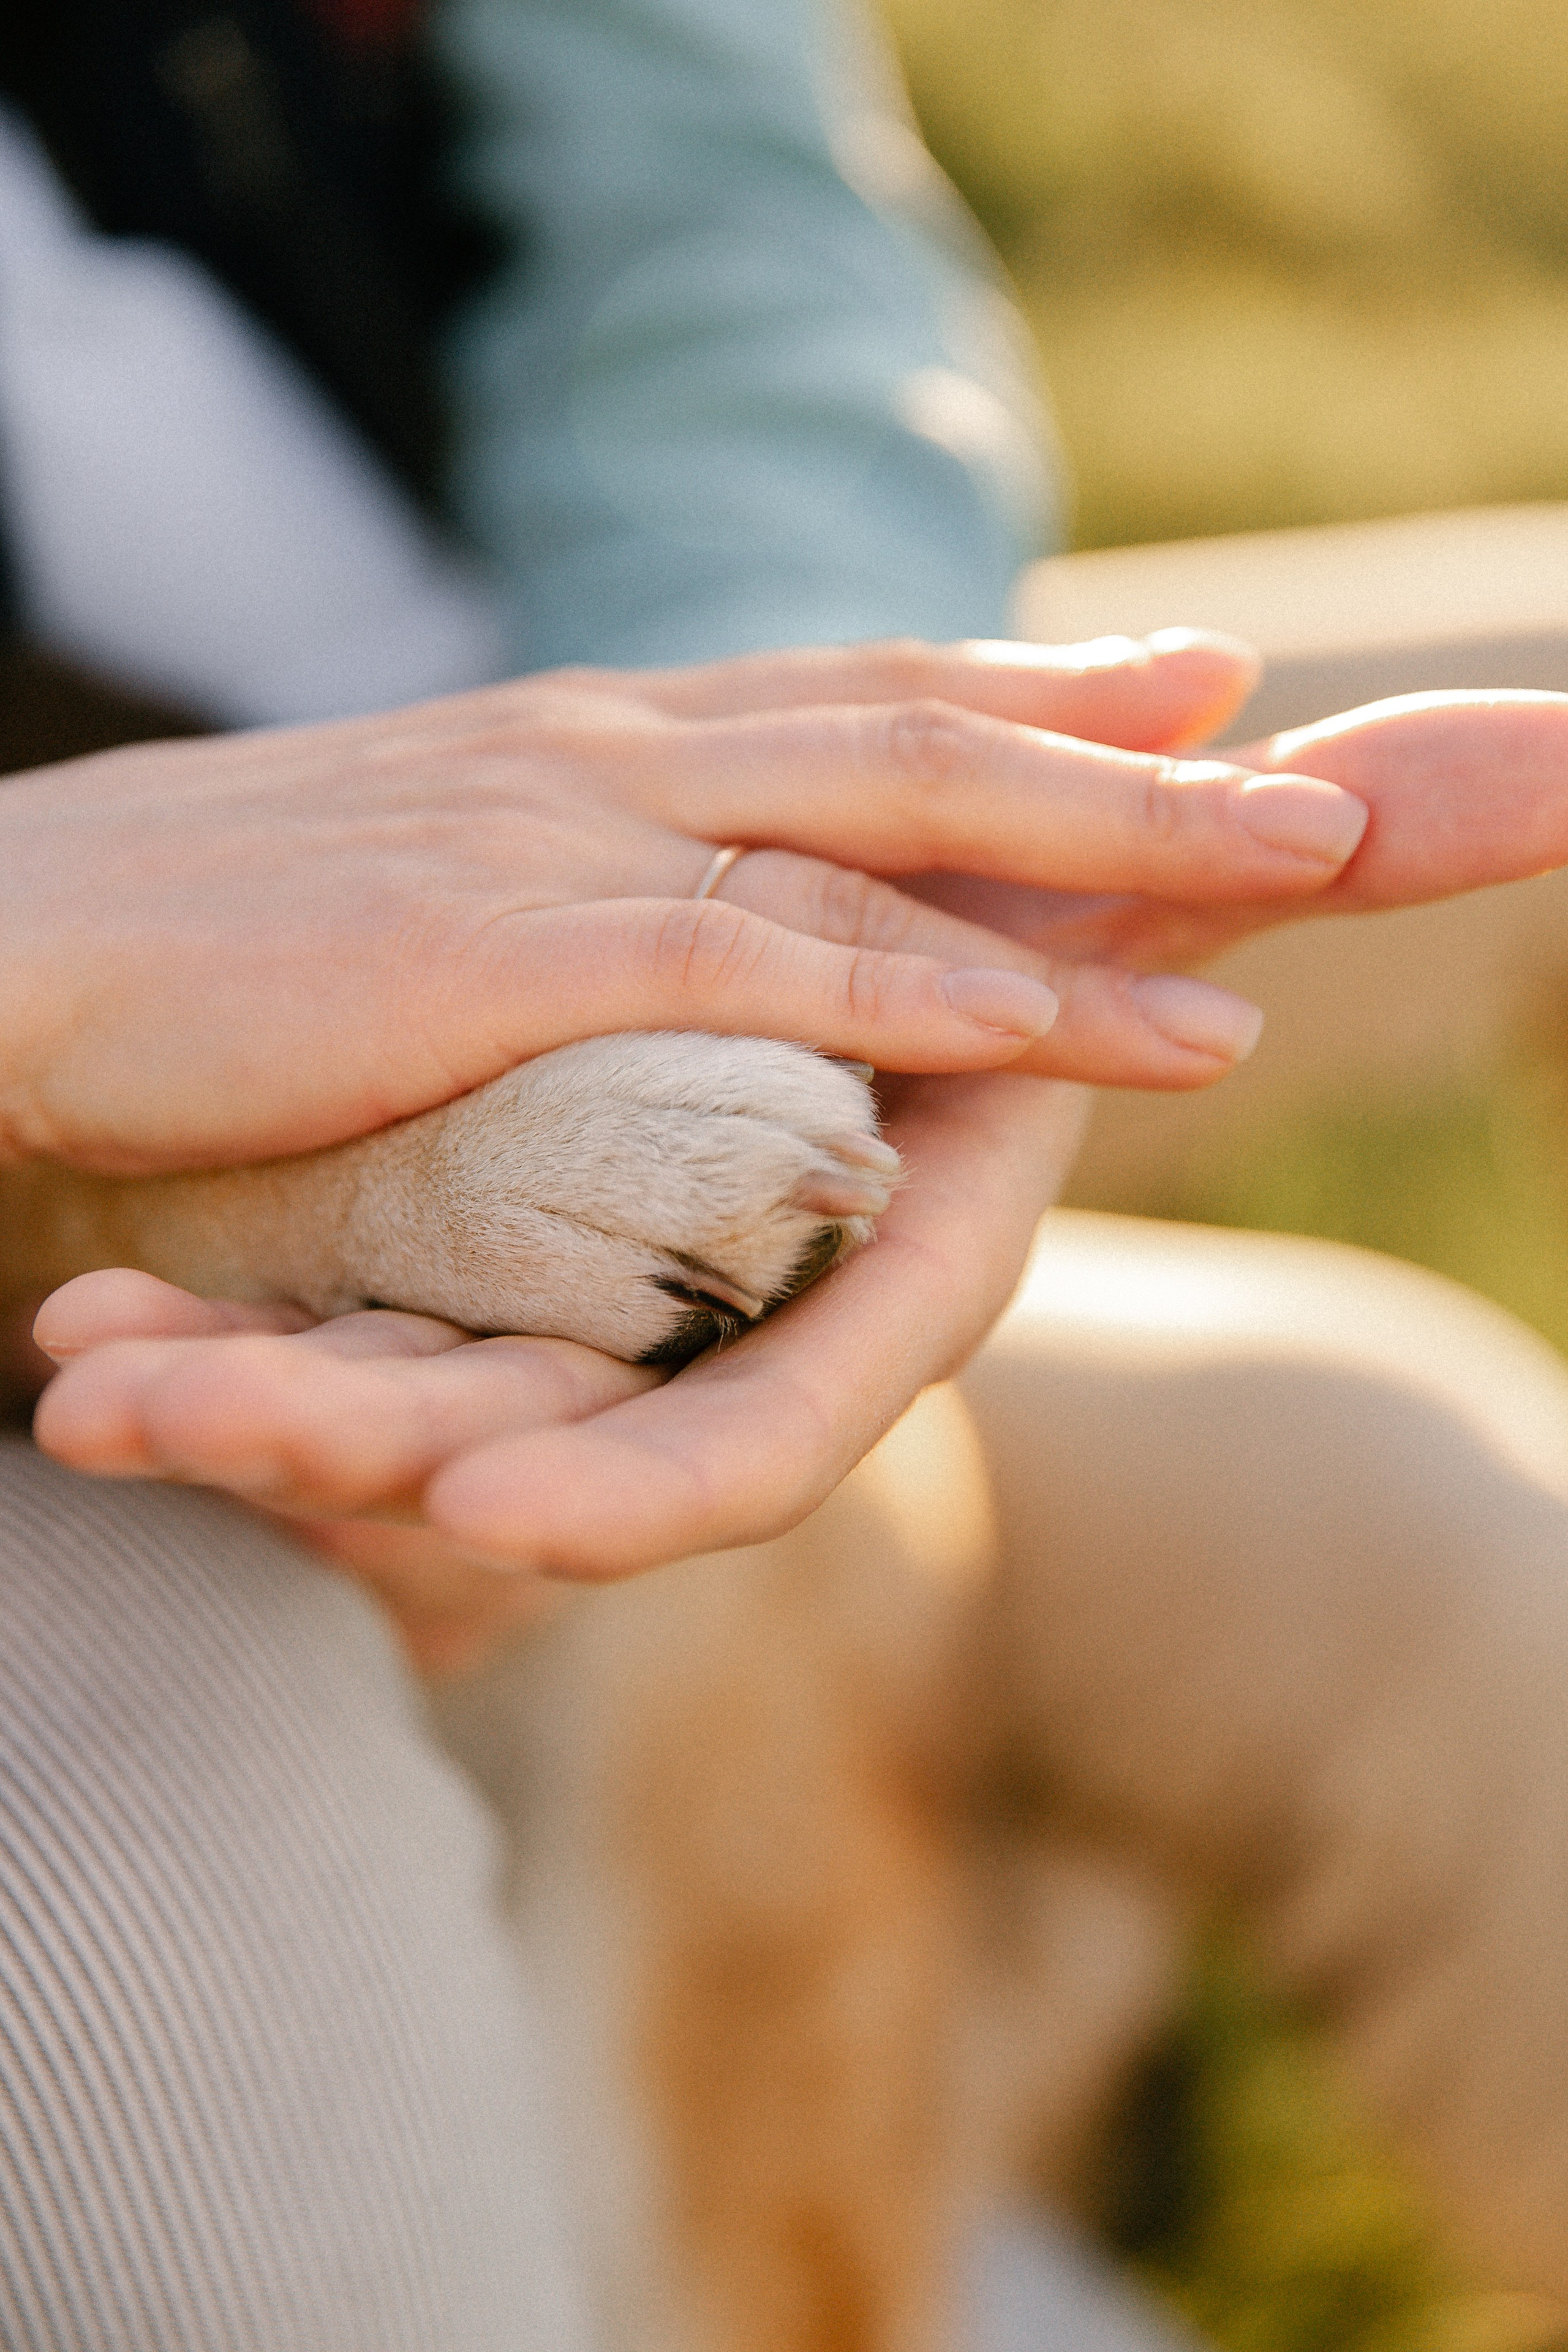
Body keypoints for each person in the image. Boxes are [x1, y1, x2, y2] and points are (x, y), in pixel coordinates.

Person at [4, 1, 1568, 2345]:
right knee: (177, 1873)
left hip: (560, 861)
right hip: (105, 1233)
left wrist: (754, 845)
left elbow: (729, 236)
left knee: (1414, 1497)